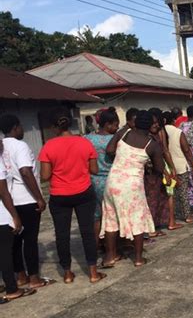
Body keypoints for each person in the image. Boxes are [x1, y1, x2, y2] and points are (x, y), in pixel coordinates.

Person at [38, 107, 106, 284]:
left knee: (62, 235)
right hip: (83, 192)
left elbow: (45, 176)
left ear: (54, 127)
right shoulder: (84, 143)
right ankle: (93, 272)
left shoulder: (48, 146)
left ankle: (67, 274)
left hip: (59, 195)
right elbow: (94, 169)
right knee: (87, 232)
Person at [101, 110, 164, 267]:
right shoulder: (152, 145)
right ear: (150, 125)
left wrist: (123, 157)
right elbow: (160, 168)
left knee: (111, 219)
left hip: (113, 181)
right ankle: (138, 258)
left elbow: (109, 150)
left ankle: (110, 257)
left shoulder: (124, 133)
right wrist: (146, 166)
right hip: (132, 185)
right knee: (137, 218)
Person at [0, 114, 50, 289]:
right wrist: (39, 198)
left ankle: (20, 276)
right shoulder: (20, 146)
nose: (22, 129)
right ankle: (34, 278)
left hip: (11, 199)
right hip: (26, 198)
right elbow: (26, 171)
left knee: (15, 241)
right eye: (21, 126)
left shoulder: (2, 146)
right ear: (15, 127)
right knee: (30, 240)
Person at [0, 141, 36, 302]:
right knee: (5, 252)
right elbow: (3, 192)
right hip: (2, 213)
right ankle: (12, 288)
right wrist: (15, 216)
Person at [85, 107, 120, 246]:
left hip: (93, 181)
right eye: (116, 125)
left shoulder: (87, 139)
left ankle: (96, 245)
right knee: (113, 215)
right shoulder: (115, 140)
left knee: (96, 216)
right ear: (108, 124)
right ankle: (114, 246)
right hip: (111, 180)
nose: (117, 128)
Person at [164, 110, 193, 223]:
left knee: (171, 194)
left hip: (167, 167)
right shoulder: (178, 132)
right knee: (183, 192)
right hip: (180, 165)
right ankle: (187, 215)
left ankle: (174, 215)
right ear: (173, 120)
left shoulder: (161, 132)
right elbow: (186, 149)